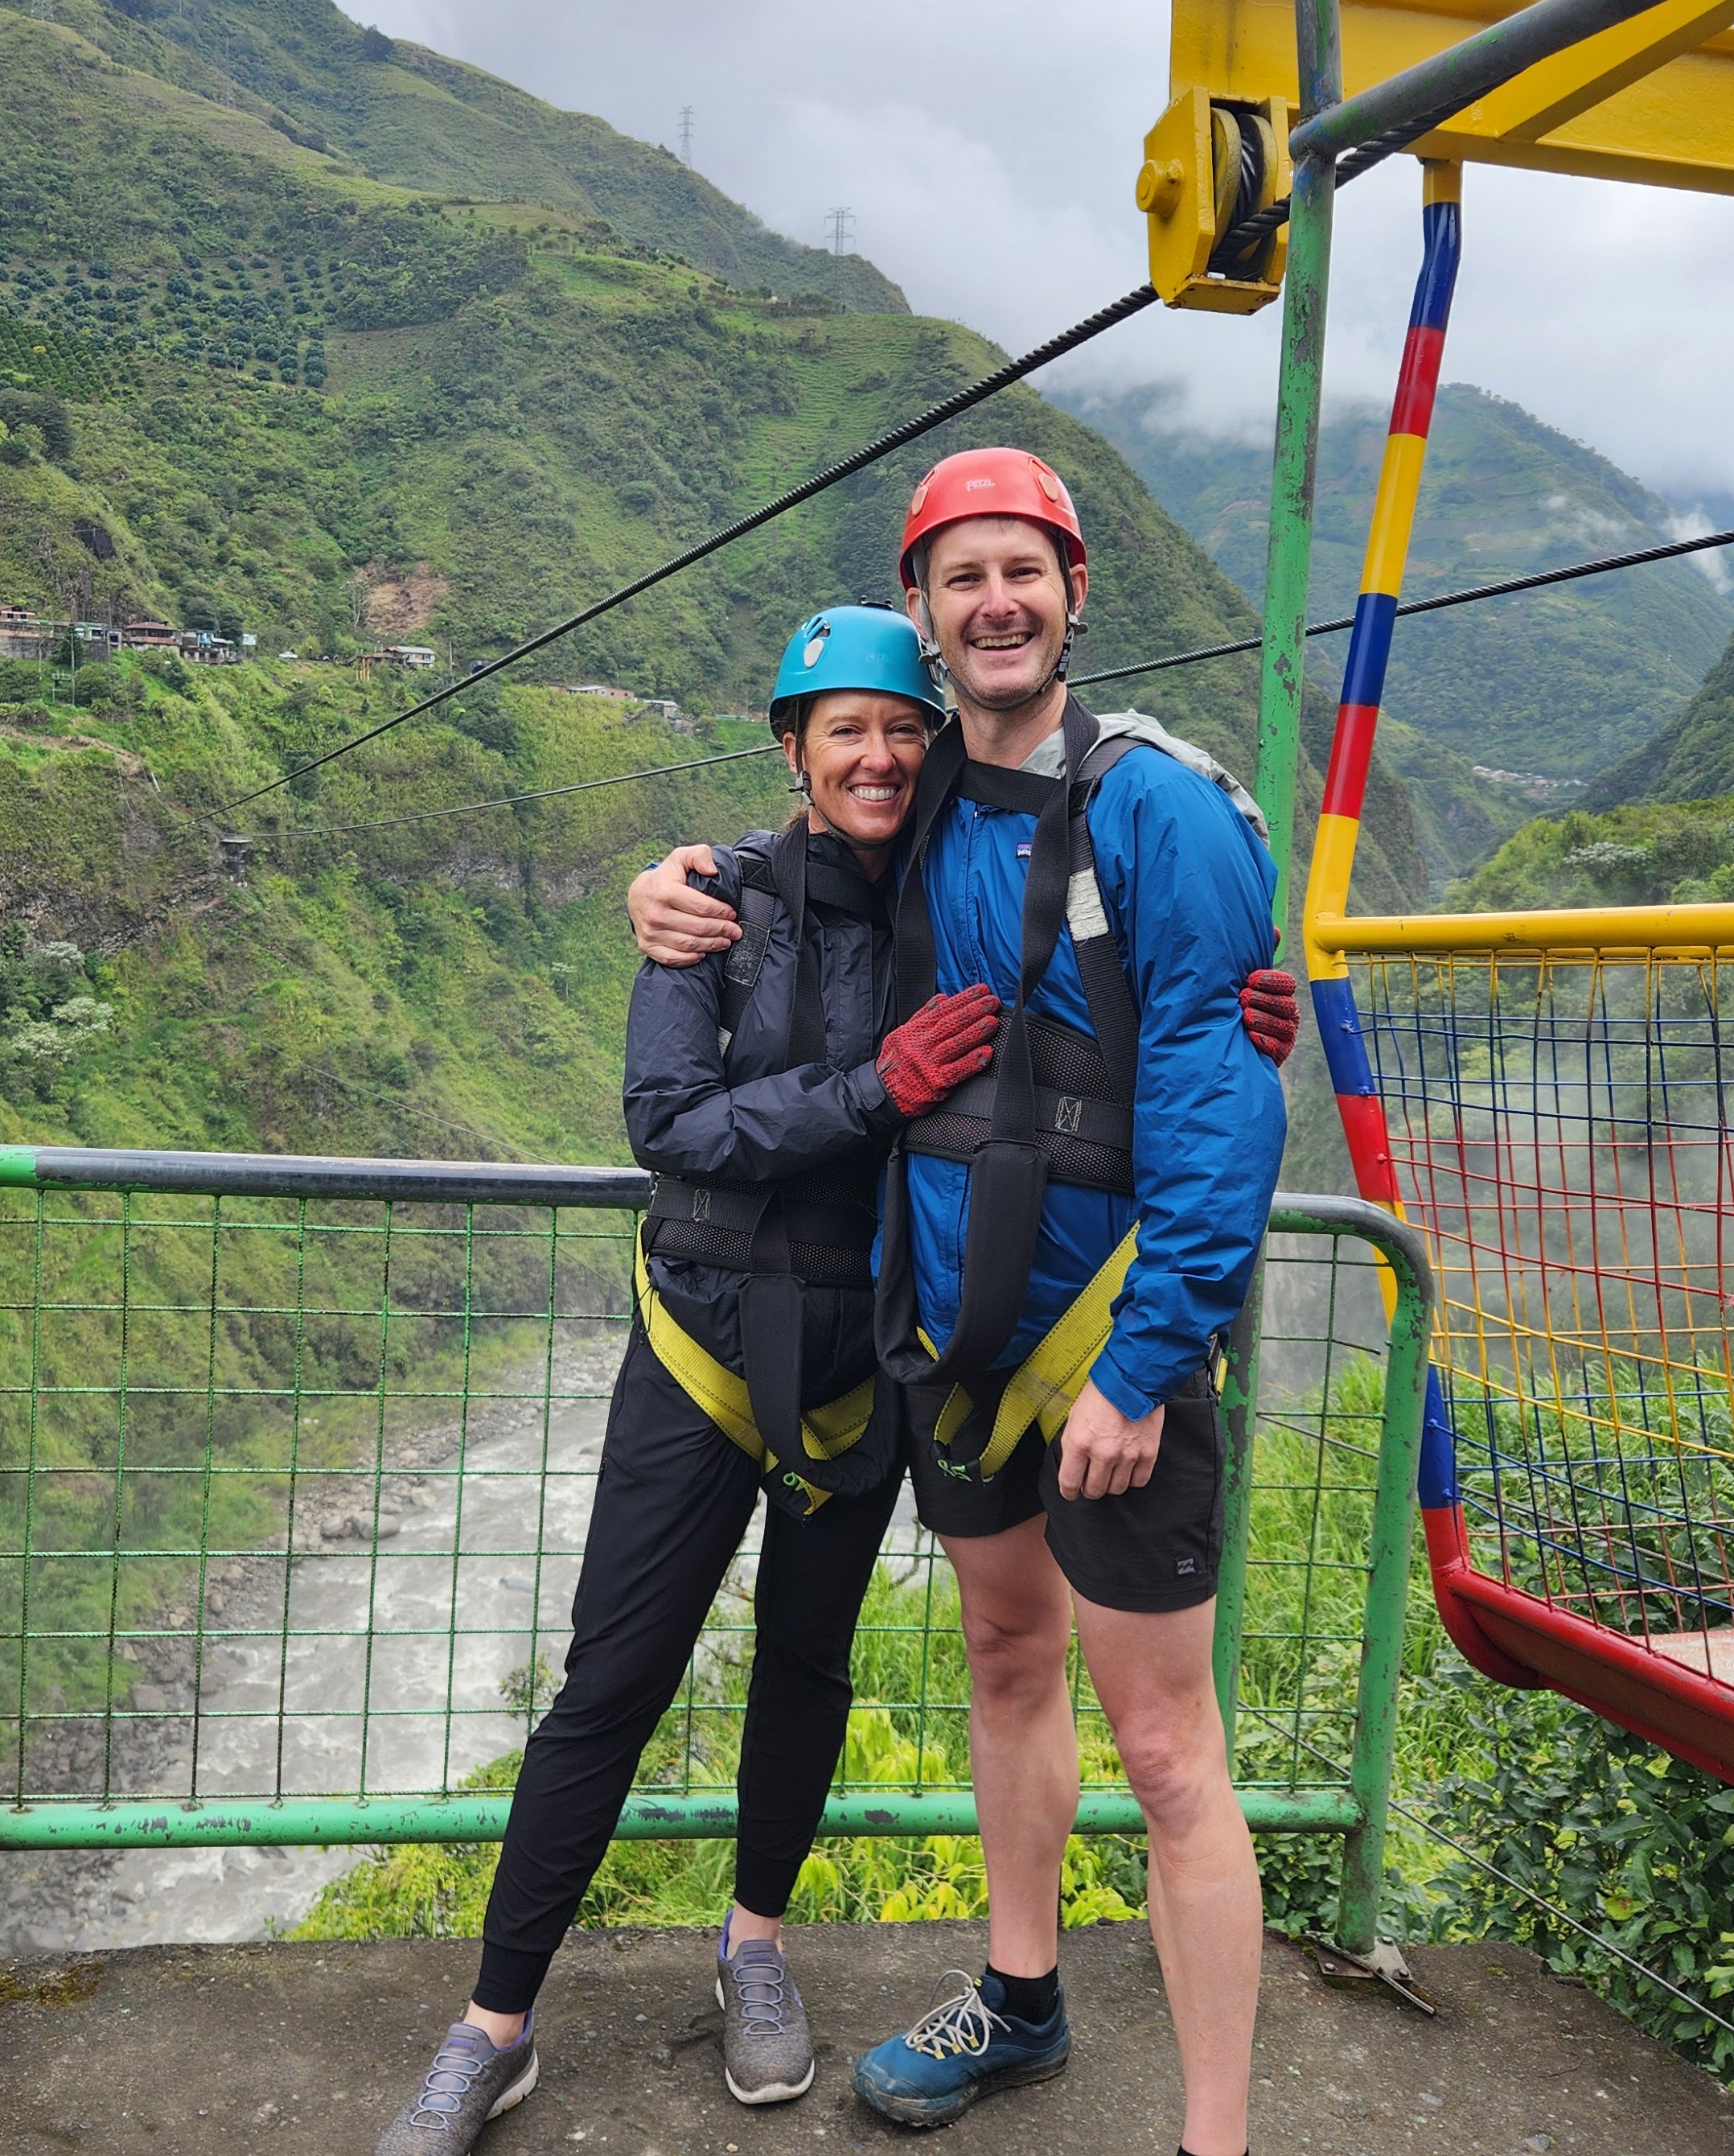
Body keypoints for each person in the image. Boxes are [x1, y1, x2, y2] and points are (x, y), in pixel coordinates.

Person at [376, 602, 1298, 2154]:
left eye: (899, 731)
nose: (877, 757)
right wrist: (866, 1082)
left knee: (806, 1669)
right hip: (706, 1341)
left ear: (932, 745)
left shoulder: (949, 885)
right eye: (843, 733)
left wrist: (1228, 1007)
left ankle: (755, 1947)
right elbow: (669, 1123)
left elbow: (1102, 989)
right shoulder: (713, 907)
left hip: (868, 1358)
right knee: (611, 1681)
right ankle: (493, 2025)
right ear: (793, 753)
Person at [627, 449, 1288, 2156]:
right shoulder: (924, 803)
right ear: (923, 611)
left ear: (1073, 592)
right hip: (951, 1340)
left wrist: (1147, 1363)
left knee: (1167, 1752)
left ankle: (1215, 2136)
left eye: (1023, 571)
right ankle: (1021, 1995)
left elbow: (1219, 1094)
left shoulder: (1154, 806)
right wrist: (669, 889)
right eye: (962, 577)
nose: (997, 603)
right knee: (1006, 1658)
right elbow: (800, 852)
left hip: (1109, 1347)